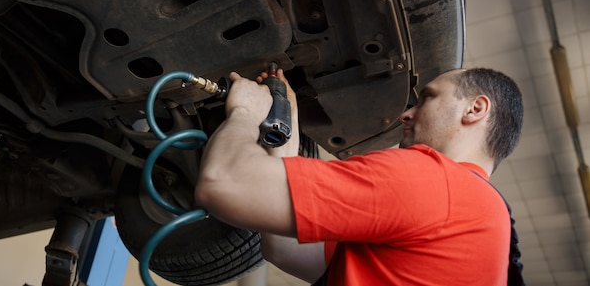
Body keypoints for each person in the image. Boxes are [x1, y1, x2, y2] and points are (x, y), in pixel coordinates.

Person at [195, 67, 524, 285]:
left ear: (475, 109)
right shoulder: (481, 215)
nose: (406, 114)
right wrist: (286, 127)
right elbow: (288, 249)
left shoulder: (436, 181)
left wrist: (245, 113)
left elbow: (223, 182)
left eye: (428, 97)